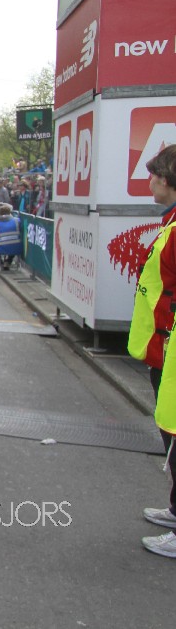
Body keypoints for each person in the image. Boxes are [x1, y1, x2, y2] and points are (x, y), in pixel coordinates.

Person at [126, 144, 176, 558]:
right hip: (163, 347)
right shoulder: (170, 222)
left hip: (171, 345)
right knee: (170, 432)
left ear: (166, 179)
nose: (149, 183)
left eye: (153, 176)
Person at [0, 203, 22, 270]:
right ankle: (8, 261)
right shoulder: (17, 221)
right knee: (13, 243)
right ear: (10, 213)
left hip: (0, 248)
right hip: (17, 247)